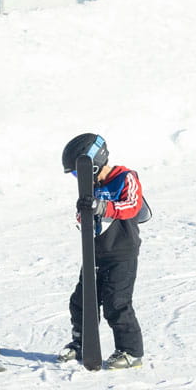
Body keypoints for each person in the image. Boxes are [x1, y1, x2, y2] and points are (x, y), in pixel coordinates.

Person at [61, 134, 147, 369]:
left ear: (94, 163)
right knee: (81, 301)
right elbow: (84, 219)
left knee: (116, 303)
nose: (79, 179)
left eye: (79, 173)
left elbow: (131, 205)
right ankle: (81, 343)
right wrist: (84, 212)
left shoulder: (125, 178)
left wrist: (102, 206)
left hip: (122, 252)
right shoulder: (91, 187)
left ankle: (131, 352)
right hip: (95, 253)